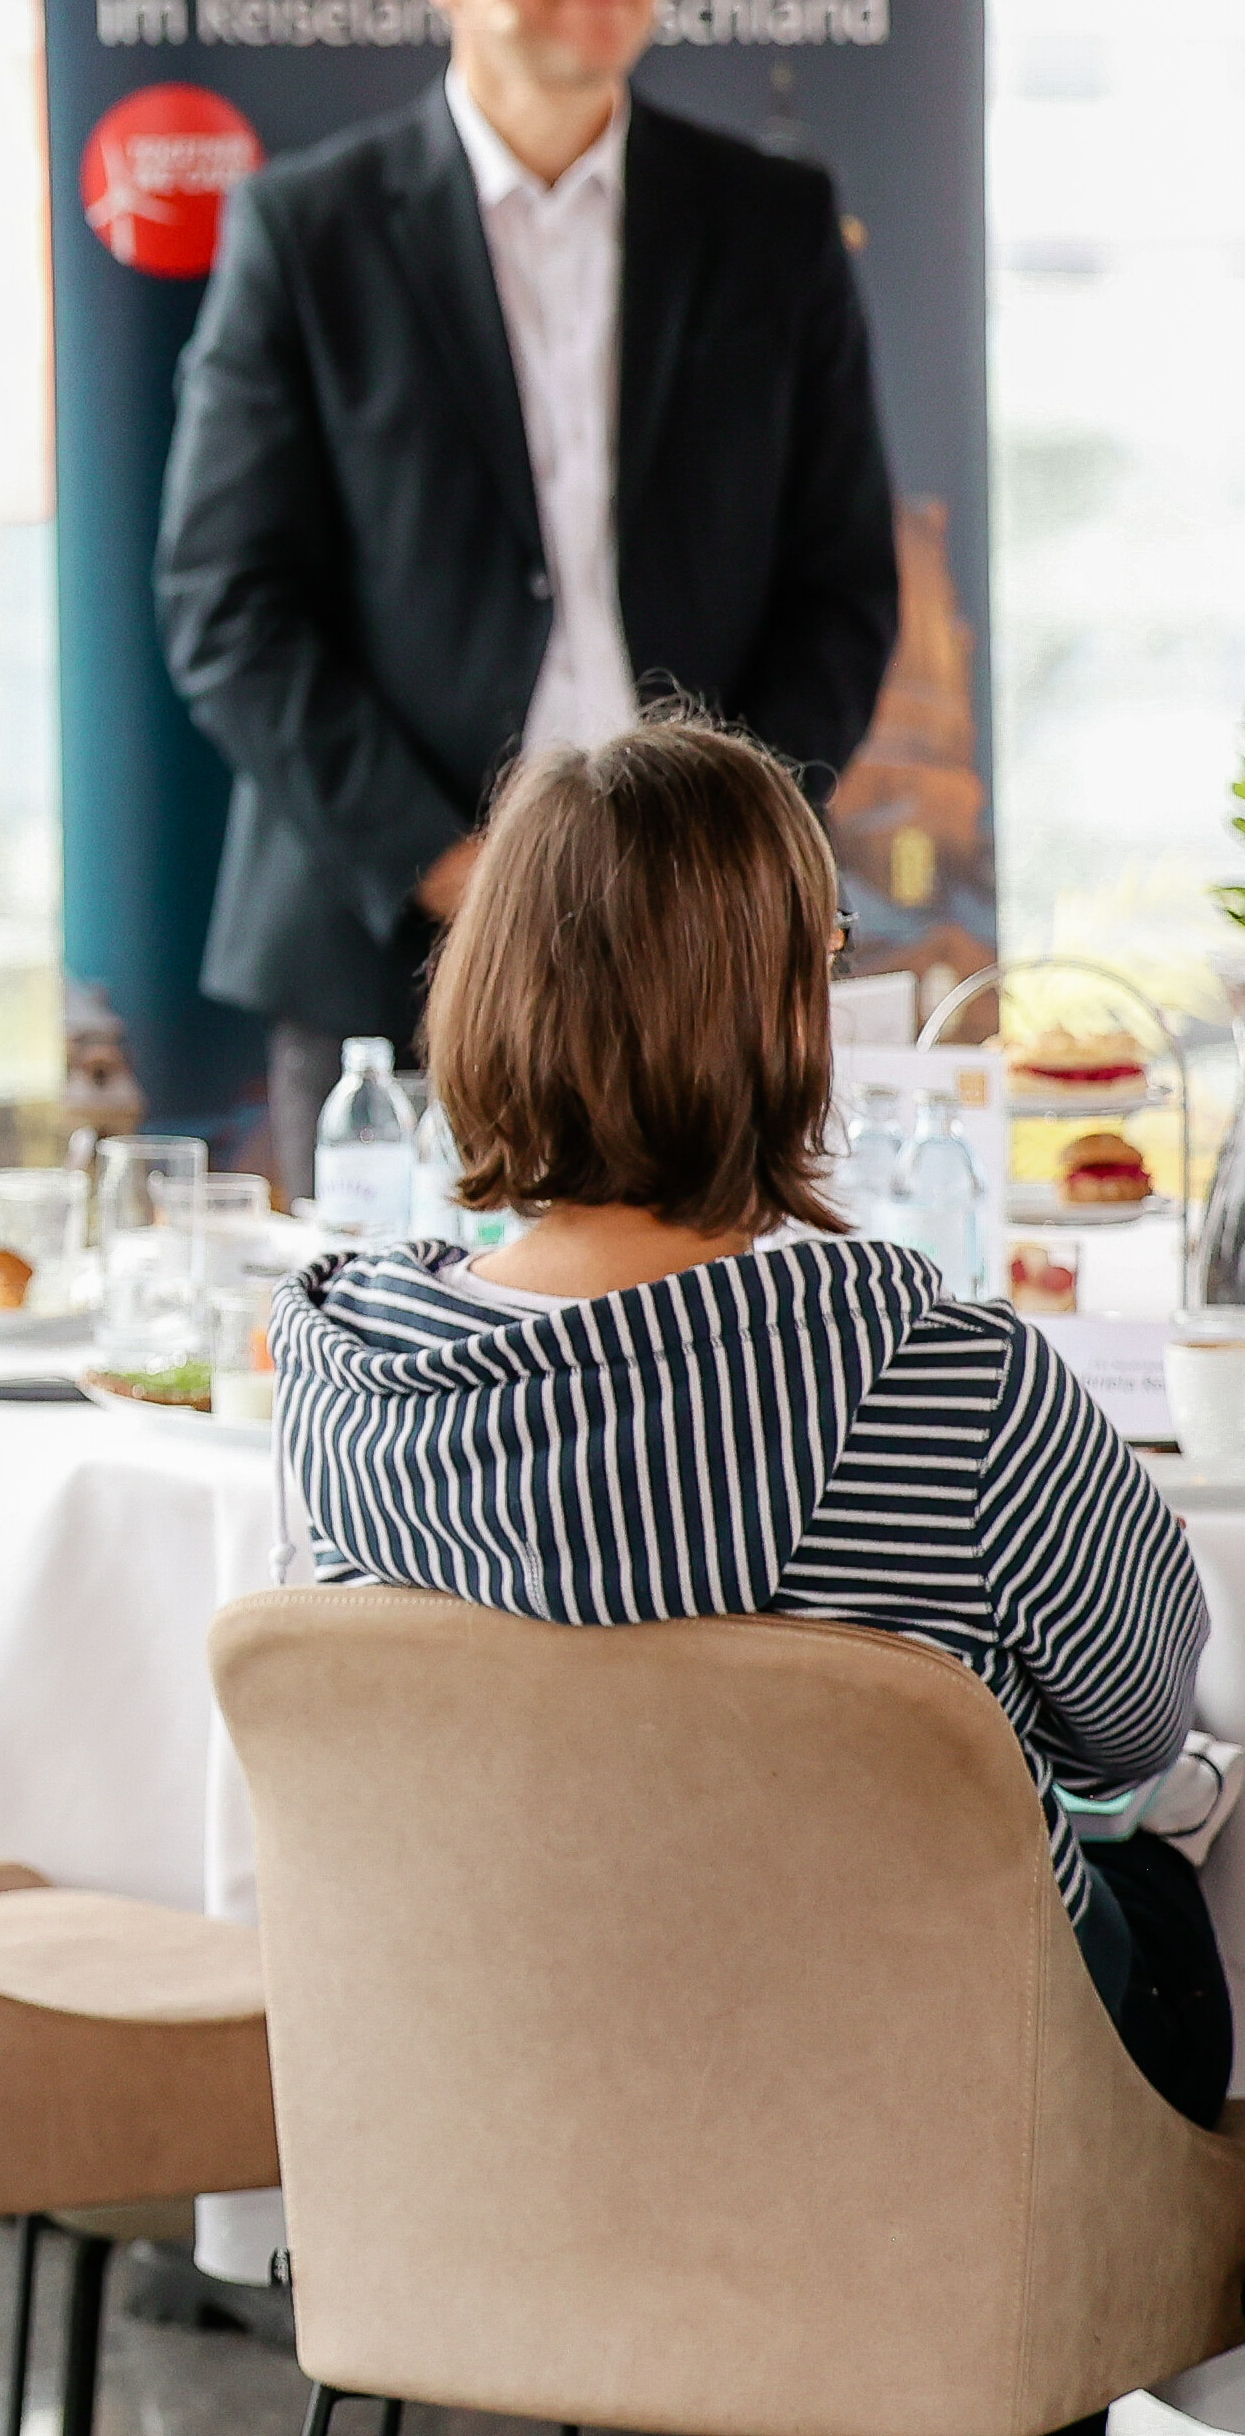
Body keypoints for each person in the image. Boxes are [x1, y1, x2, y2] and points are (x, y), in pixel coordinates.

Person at [274, 716, 1218, 2119]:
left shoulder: (339, 1375)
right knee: (1158, 1872)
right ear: (782, 1012)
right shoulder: (950, 1386)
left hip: (492, 2132)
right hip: (909, 2148)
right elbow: (1134, 1728)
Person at [155, 0, 901, 1181]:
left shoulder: (769, 223)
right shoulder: (305, 234)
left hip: (705, 963)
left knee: (712, 1377)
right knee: (390, 1383)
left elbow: (841, 589)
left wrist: (716, 865)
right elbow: (224, 606)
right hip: (396, 963)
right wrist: (460, 870)